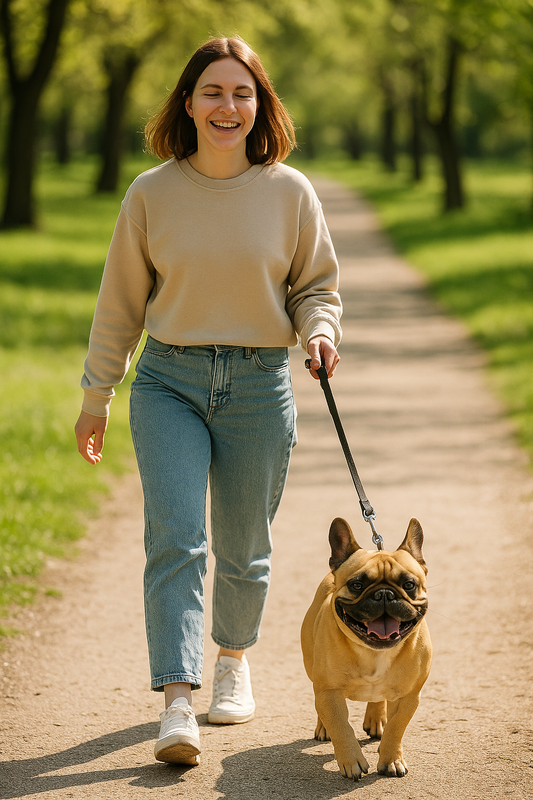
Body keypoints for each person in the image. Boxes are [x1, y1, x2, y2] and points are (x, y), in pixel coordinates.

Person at [74, 35, 342, 766]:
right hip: (170, 380)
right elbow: (119, 305)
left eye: (242, 93)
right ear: (188, 104)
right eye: (213, 92)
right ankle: (177, 701)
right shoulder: (150, 193)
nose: (228, 106)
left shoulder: (289, 192)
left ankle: (232, 660)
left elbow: (315, 287)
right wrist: (97, 394)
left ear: (260, 106)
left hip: (260, 381)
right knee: (175, 538)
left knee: (245, 545)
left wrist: (319, 330)